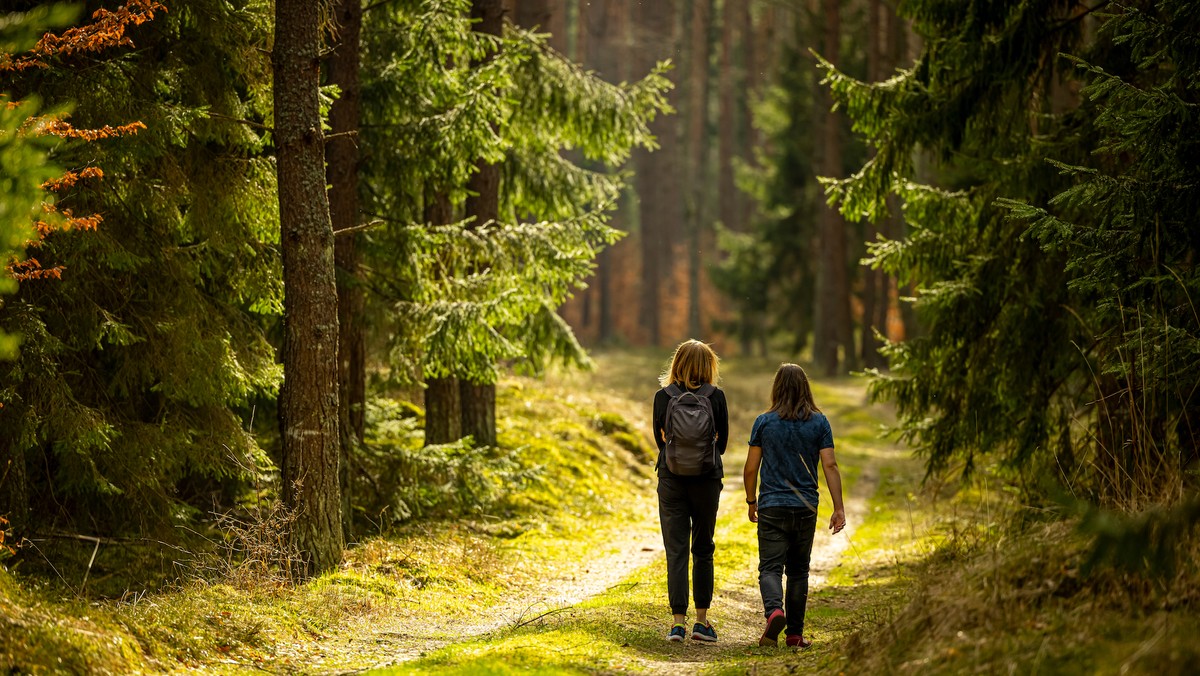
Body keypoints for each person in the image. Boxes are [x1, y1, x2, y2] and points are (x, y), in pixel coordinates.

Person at [743, 363, 845, 648]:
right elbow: (830, 464)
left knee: (770, 568)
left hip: (772, 505)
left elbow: (751, 468)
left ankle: (774, 611)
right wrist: (838, 508)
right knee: (799, 571)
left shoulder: (764, 422)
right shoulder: (819, 422)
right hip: (805, 507)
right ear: (805, 388)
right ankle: (795, 635)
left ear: (776, 388)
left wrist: (752, 501)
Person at [653, 339, 729, 643]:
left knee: (676, 550)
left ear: (676, 364)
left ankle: (677, 624)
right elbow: (721, 445)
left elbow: (659, 442)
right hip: (707, 479)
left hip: (671, 479)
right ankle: (701, 622)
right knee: (703, 547)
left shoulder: (663, 396)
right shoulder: (717, 397)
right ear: (709, 366)